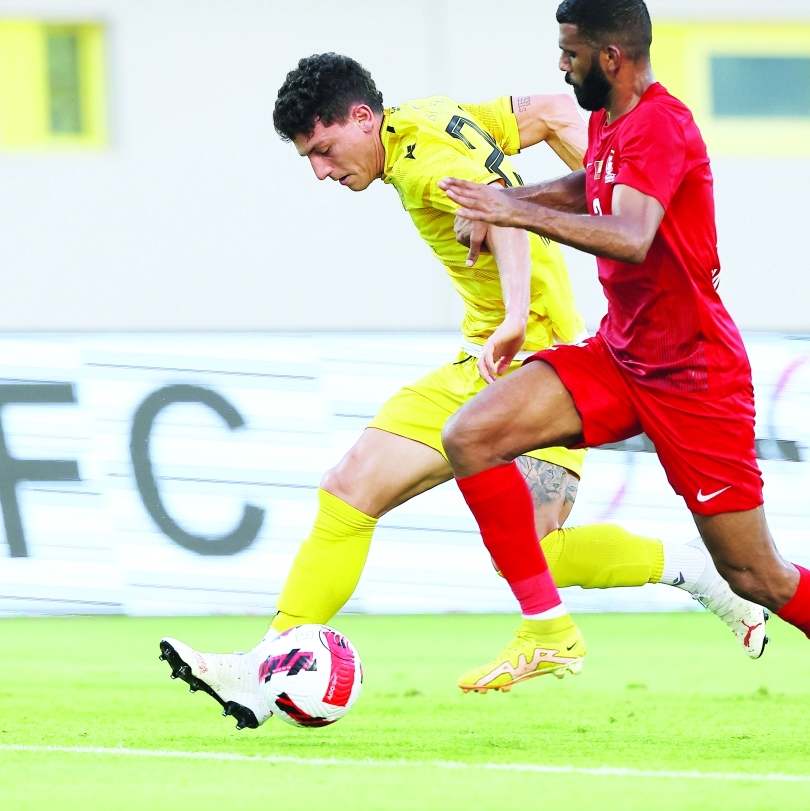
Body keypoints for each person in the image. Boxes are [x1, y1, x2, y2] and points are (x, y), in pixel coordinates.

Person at [157, 53, 768, 730]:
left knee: (540, 548)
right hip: (475, 362)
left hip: (536, 357)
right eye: (309, 157)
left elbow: (498, 212)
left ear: (363, 118)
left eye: (324, 150)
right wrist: (609, 184)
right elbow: (551, 113)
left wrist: (514, 313)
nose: (321, 171)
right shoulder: (428, 115)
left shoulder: (420, 163)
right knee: (349, 485)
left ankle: (696, 573)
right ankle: (263, 664)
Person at [437, 0, 810, 755]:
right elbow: (594, 185)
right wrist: (514, 194)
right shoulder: (610, 120)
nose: (562, 67)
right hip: (620, 353)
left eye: (570, 53)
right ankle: (547, 629)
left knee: (756, 575)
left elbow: (632, 234)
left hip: (695, 375)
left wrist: (514, 211)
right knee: (470, 434)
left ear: (612, 56)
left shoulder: (664, 123)